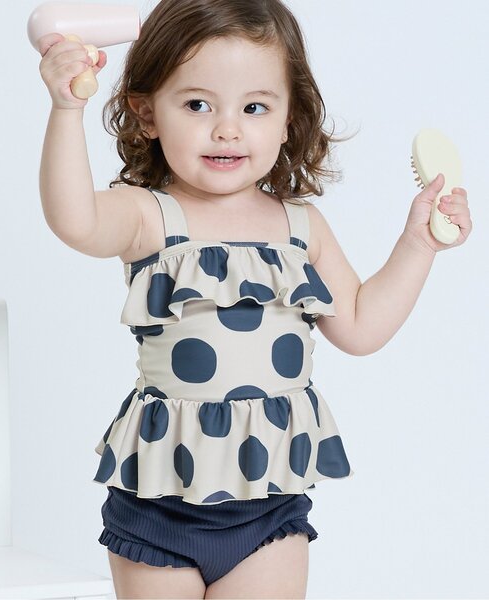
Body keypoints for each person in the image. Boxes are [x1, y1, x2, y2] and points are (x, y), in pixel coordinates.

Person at [36, 0, 472, 598]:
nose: (227, 129)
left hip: (268, 508)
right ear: (147, 113)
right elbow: (74, 220)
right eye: (197, 104)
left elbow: (361, 327)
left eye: (255, 107)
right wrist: (66, 110)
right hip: (161, 503)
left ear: (290, 118)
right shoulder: (149, 215)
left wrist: (417, 245)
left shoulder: (301, 228)